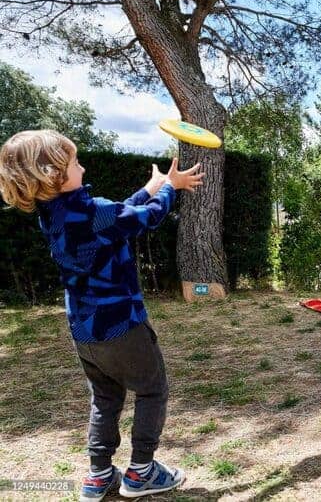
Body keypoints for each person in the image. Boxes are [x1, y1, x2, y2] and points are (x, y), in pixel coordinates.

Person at [0, 130, 204, 501]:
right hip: (121, 325)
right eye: (75, 162)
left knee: (105, 397)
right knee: (151, 388)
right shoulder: (93, 213)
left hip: (83, 330)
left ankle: (99, 474)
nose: (83, 165)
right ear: (52, 173)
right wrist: (169, 188)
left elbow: (116, 219)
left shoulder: (54, 215)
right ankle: (141, 471)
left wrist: (150, 186)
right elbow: (146, 218)